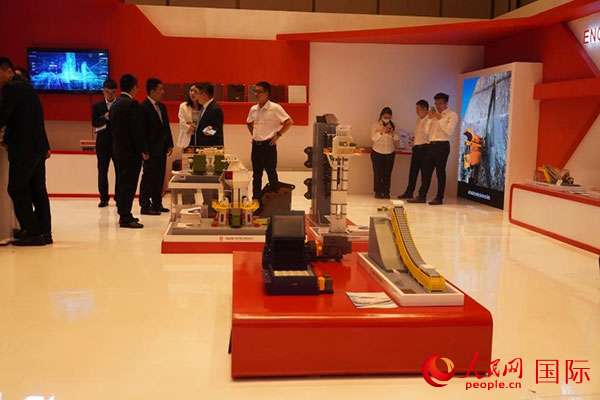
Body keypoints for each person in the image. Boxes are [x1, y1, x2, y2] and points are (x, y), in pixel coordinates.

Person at [0, 57, 52, 246]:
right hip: (37, 147)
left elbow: (3, 115)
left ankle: (33, 232)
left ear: (8, 71)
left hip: (24, 148)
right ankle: (44, 232)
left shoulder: (12, 88)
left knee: (16, 188)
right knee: (38, 190)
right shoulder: (28, 88)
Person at [111, 74, 149, 228]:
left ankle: (123, 212)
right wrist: (143, 149)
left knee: (121, 182)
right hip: (130, 153)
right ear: (133, 87)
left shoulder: (115, 104)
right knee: (129, 184)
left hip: (118, 150)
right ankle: (125, 216)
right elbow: (136, 131)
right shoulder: (132, 104)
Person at [408, 92, 458, 205]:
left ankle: (439, 197)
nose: (437, 106)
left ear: (446, 103)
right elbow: (426, 131)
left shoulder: (452, 115)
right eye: (436, 103)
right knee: (426, 172)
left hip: (442, 145)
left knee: (440, 172)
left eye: (440, 103)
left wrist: (440, 119)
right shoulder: (434, 115)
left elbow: (449, 131)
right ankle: (422, 196)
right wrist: (430, 118)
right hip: (431, 144)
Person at [246, 81, 293, 199]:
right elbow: (248, 122)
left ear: (266, 93)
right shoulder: (253, 109)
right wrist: (254, 134)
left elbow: (289, 122)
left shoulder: (275, 108)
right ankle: (256, 200)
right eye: (255, 91)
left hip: (268, 145)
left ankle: (274, 201)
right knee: (256, 175)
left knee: (271, 174)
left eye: (258, 91)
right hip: (256, 145)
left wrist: (278, 135)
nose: (255, 94)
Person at [139, 78, 173, 215]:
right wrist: (144, 149)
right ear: (152, 91)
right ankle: (145, 205)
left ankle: (157, 203)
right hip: (150, 149)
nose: (162, 92)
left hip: (161, 147)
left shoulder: (162, 107)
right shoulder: (143, 107)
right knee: (148, 177)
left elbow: (166, 126)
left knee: (159, 177)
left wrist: (169, 143)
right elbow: (141, 131)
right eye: (160, 89)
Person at [191, 82, 224, 210]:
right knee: (204, 180)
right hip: (201, 150)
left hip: (211, 151)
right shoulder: (204, 108)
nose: (195, 96)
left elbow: (217, 131)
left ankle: (211, 207)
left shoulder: (215, 109)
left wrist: (207, 131)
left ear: (204, 94)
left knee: (210, 180)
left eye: (197, 93)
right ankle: (208, 205)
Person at [91, 79, 118, 207]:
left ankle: (119, 196)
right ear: (103, 91)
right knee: (102, 171)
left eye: (112, 92)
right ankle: (104, 198)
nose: (110, 95)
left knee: (119, 171)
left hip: (117, 143)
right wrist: (104, 117)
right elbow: (94, 122)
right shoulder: (97, 106)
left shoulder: (120, 104)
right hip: (102, 143)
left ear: (116, 92)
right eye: (107, 92)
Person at [398, 100, 431, 199]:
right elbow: (419, 134)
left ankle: (422, 195)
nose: (416, 111)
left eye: (418, 109)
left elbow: (428, 133)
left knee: (425, 173)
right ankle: (409, 192)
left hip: (425, 148)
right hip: (416, 148)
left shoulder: (430, 120)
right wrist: (414, 139)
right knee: (413, 172)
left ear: (425, 109)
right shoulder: (418, 120)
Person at [370, 107, 398, 199]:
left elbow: (397, 138)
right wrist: (381, 132)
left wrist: (392, 134)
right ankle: (378, 192)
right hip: (377, 152)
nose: (387, 119)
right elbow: (373, 138)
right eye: (385, 117)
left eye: (389, 117)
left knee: (387, 173)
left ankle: (386, 192)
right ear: (381, 116)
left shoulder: (393, 125)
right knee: (378, 173)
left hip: (390, 152)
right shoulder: (375, 125)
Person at [176, 83, 202, 148]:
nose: (192, 93)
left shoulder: (204, 106)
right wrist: (195, 126)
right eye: (191, 90)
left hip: (200, 138)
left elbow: (204, 125)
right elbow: (182, 125)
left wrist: (190, 124)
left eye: (195, 91)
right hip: (187, 138)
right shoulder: (183, 106)